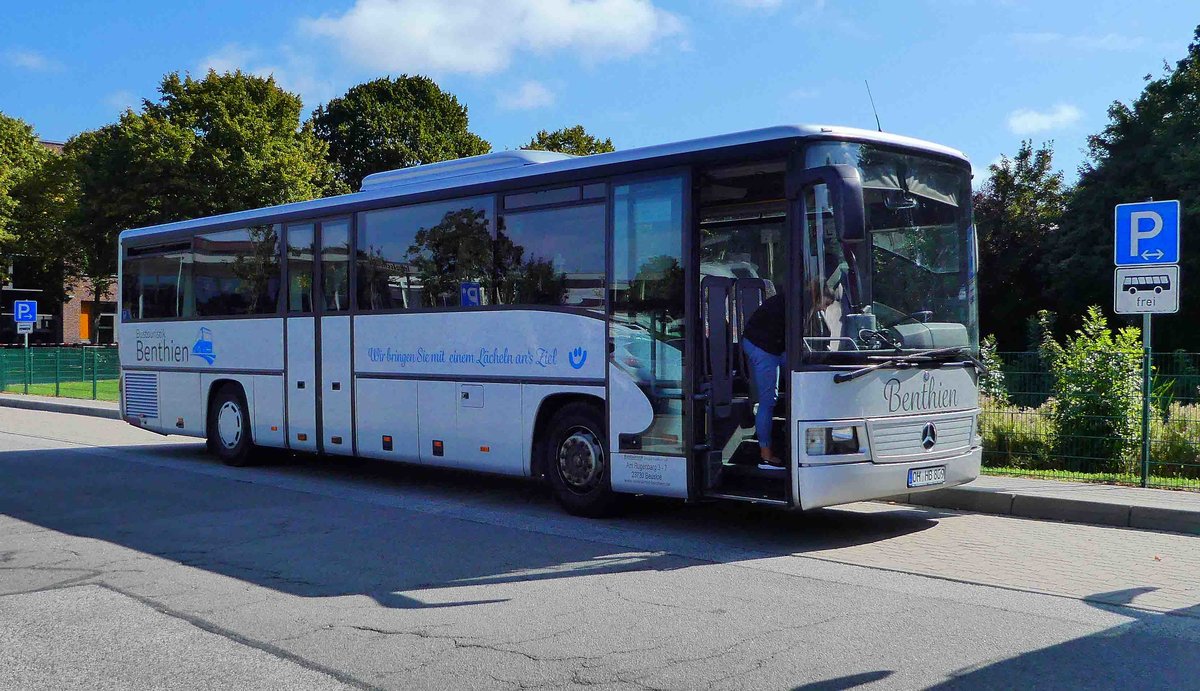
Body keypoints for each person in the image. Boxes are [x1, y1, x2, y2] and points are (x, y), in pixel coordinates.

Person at [740, 292, 787, 470]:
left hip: (774, 346)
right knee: (768, 401)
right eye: (824, 304)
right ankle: (766, 454)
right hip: (763, 347)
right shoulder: (794, 305)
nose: (823, 309)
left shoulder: (794, 301)